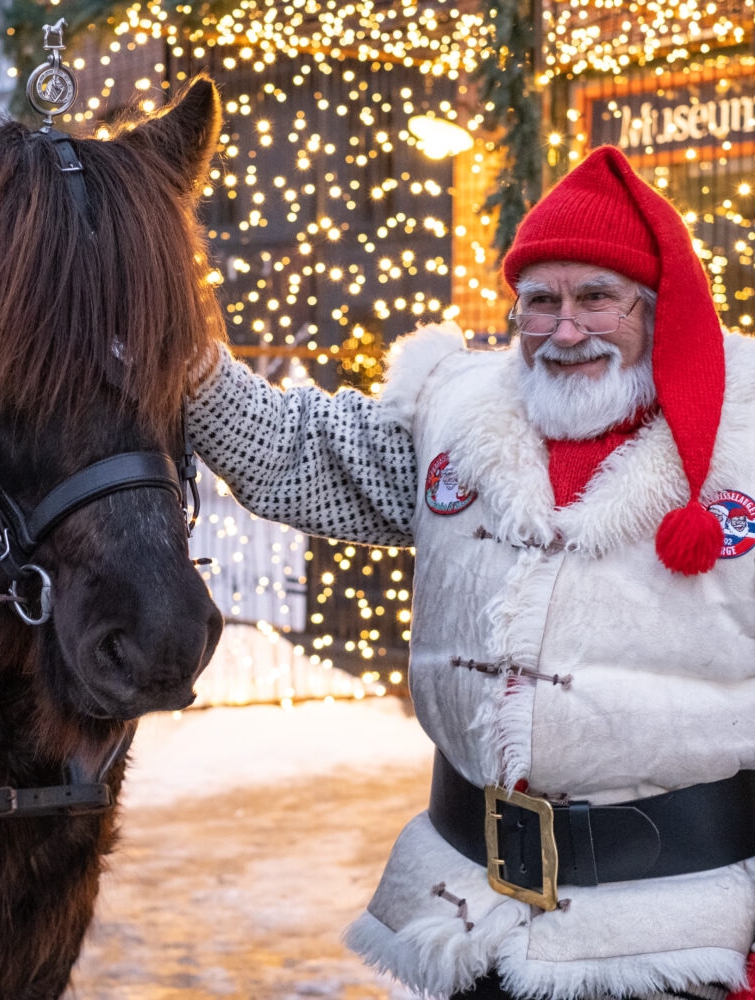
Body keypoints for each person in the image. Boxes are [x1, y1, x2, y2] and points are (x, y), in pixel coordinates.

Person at [187, 145, 755, 1000]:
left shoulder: (747, 435)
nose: (565, 331)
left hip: (677, 937)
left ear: (656, 304)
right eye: (541, 302)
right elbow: (303, 453)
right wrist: (180, 356)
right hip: (469, 922)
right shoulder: (460, 413)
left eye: (596, 297)